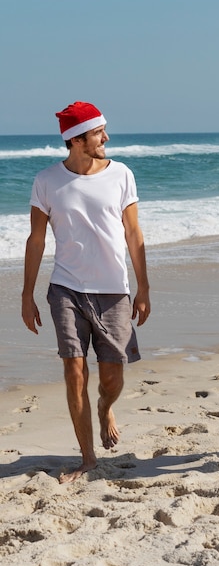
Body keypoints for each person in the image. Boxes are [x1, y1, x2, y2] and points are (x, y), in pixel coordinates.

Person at [22, 101, 151, 483]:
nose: (106, 138)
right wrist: (27, 295)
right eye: (99, 133)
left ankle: (105, 407)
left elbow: (133, 233)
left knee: (111, 378)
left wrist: (143, 287)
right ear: (77, 140)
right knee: (73, 371)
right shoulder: (46, 181)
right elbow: (36, 239)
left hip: (114, 291)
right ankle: (88, 458)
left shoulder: (121, 174)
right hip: (66, 288)